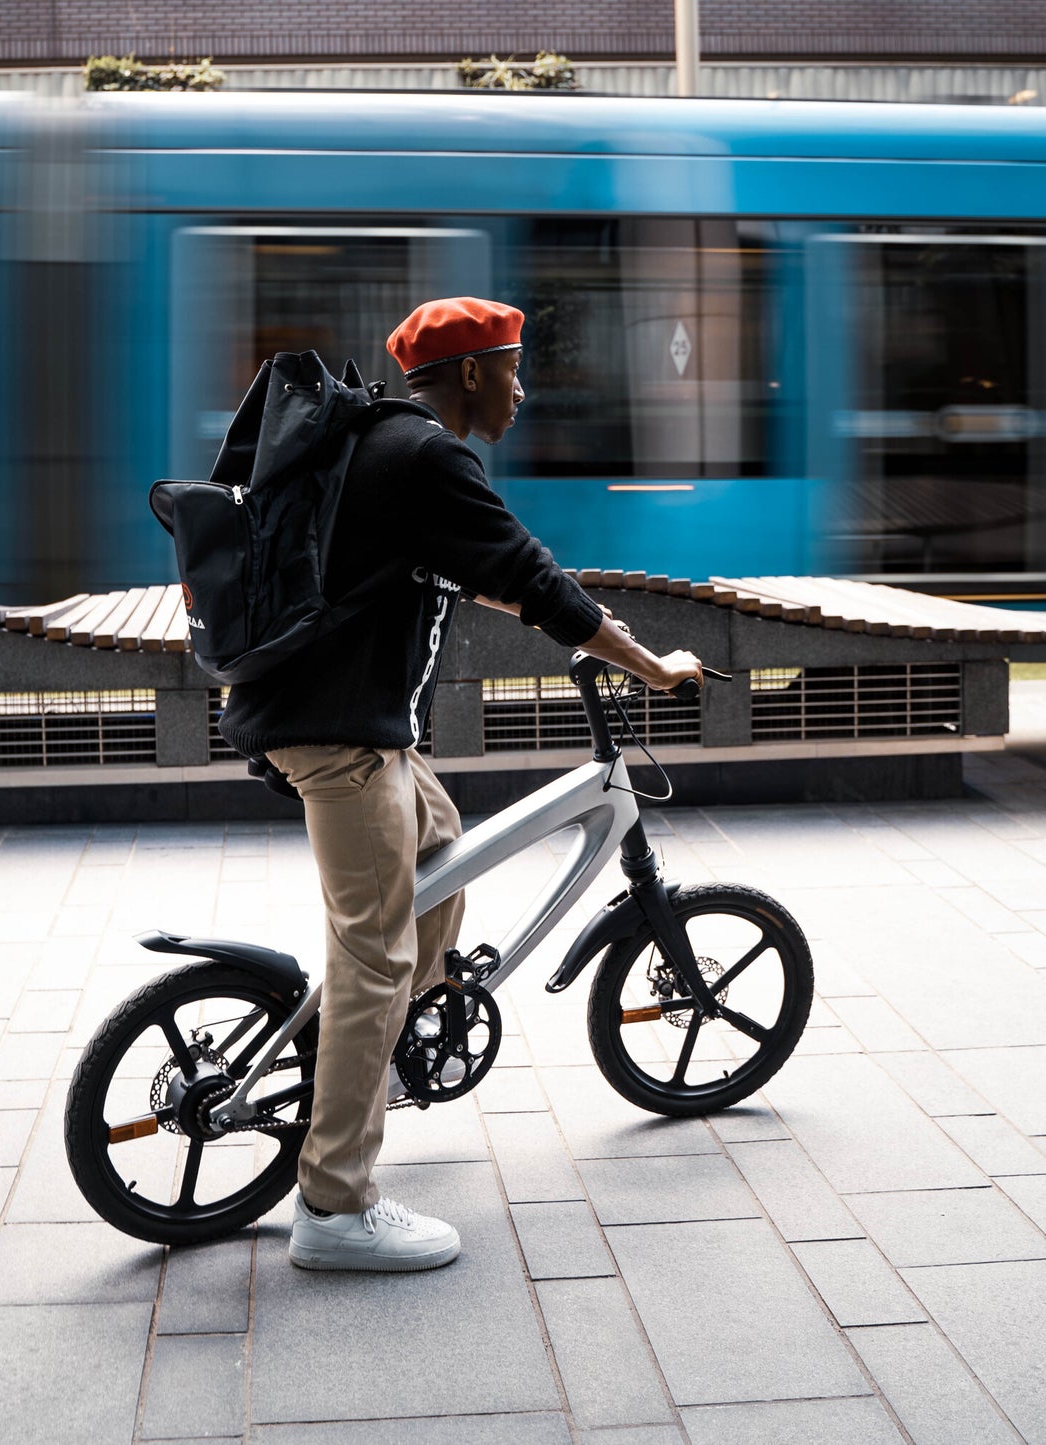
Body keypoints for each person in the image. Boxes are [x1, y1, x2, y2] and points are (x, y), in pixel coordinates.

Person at [219, 297, 702, 1272]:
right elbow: (531, 573)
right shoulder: (426, 455)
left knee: (443, 853)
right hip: (338, 735)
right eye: (514, 370)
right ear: (472, 373)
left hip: (357, 726)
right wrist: (650, 666)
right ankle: (335, 1205)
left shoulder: (382, 445)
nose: (522, 392)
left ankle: (382, 1062)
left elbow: (467, 566)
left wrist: (559, 613)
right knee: (373, 955)